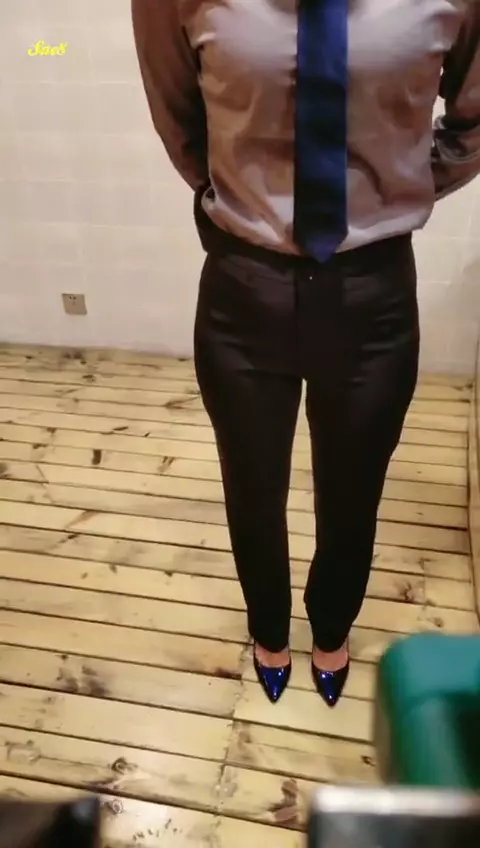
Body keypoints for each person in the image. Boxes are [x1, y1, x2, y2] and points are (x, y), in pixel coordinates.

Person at [132, 0, 480, 707]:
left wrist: (401, 183)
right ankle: (268, 630)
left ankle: (331, 628)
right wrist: (241, 197)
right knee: (251, 486)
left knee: (354, 491)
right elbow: (180, 121)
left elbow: (474, 119)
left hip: (373, 292)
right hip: (245, 289)